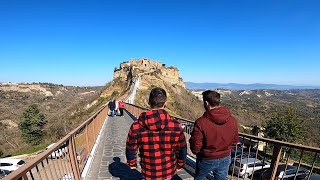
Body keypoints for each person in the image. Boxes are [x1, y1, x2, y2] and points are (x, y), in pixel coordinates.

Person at [126, 87, 187, 180]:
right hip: (168, 170)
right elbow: (182, 149)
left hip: (148, 171)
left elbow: (130, 148)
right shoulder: (175, 125)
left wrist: (132, 163)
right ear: (165, 103)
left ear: (149, 102)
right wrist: (180, 164)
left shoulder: (136, 126)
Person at [189, 90, 239, 180]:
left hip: (207, 158)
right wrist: (226, 151)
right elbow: (235, 141)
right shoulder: (232, 120)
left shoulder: (201, 122)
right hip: (225, 157)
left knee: (199, 178)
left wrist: (201, 154)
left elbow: (195, 144)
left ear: (206, 103)